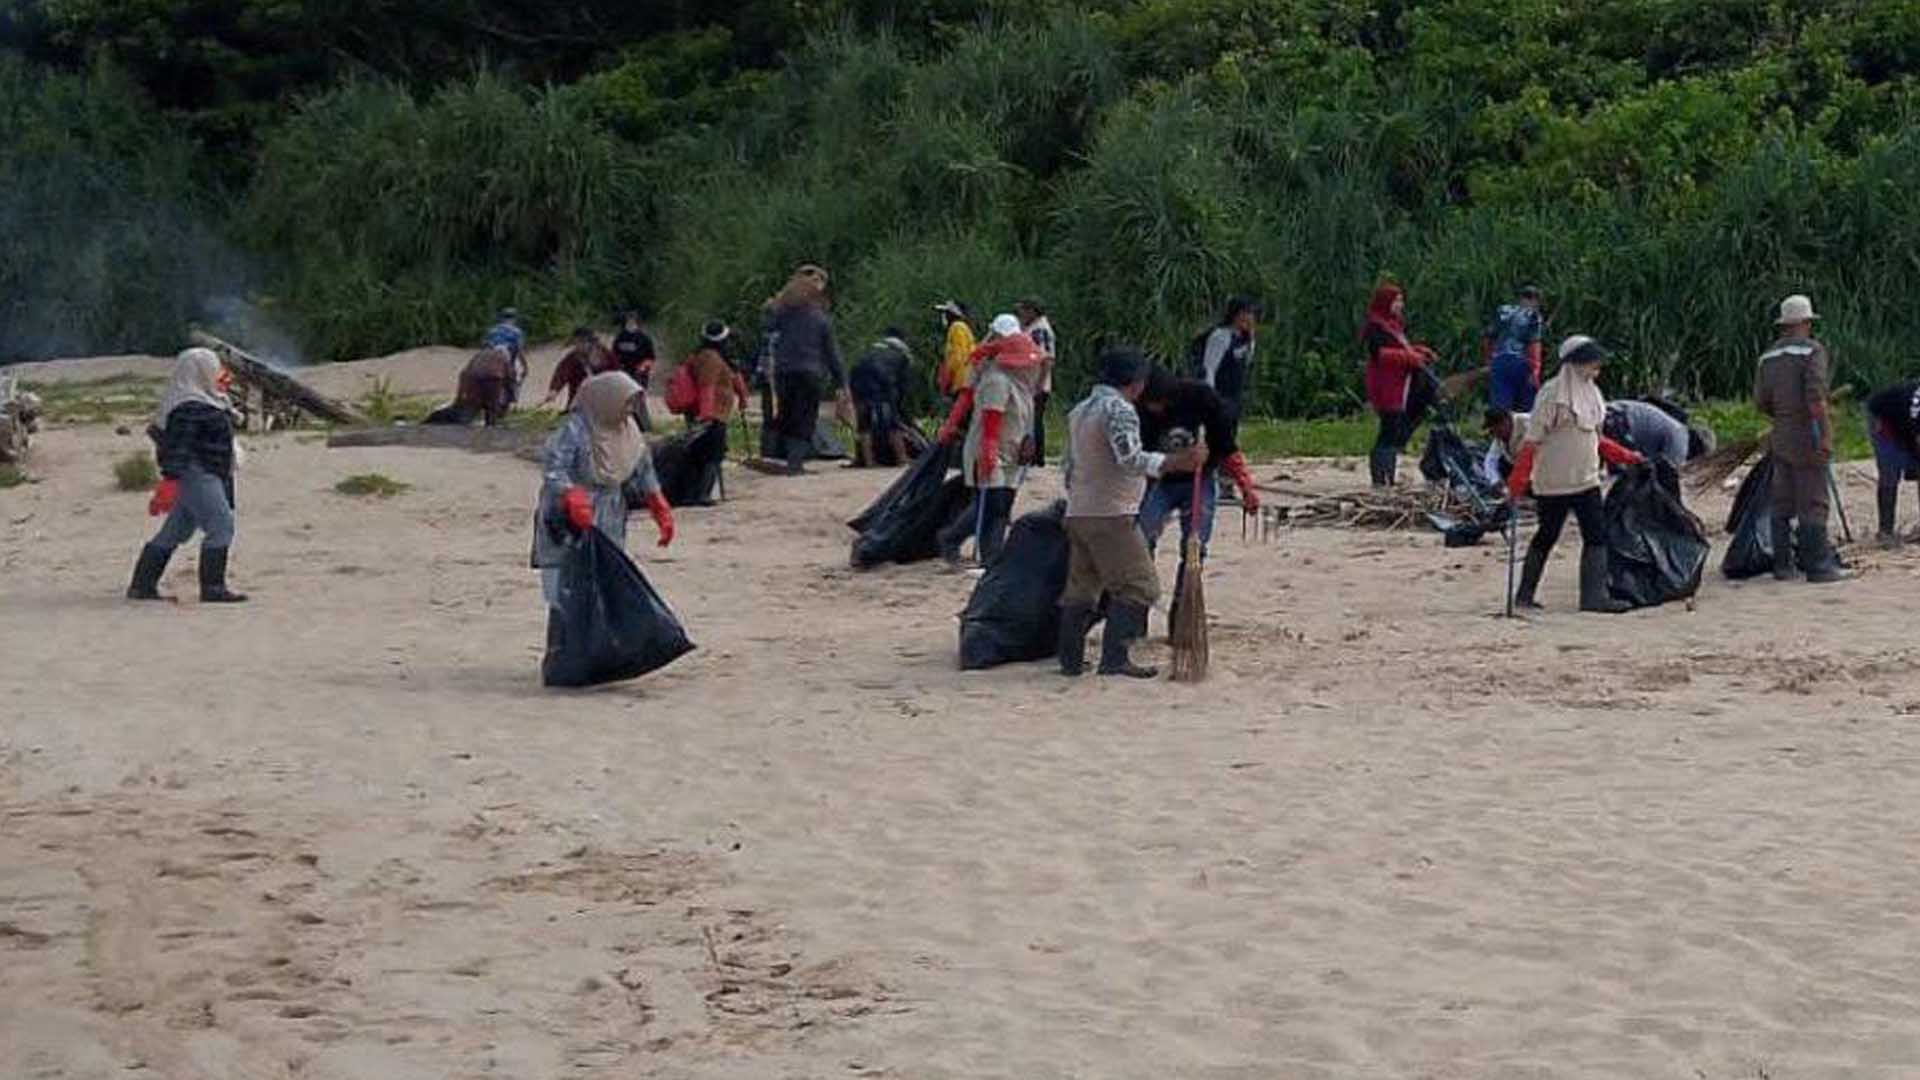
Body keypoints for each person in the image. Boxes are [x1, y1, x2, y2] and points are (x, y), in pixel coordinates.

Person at [1058, 349, 1207, 679]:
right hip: (1111, 513)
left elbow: (1067, 465)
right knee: (1140, 586)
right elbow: (1129, 459)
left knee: (1082, 588)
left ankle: (1069, 659)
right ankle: (1115, 658)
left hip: (1080, 510)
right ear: (1137, 383)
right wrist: (1176, 462)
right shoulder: (1119, 410)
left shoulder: (1080, 411)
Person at [1506, 336, 1647, 613]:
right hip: (1554, 482)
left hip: (1586, 478)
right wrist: (1517, 482)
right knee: (1547, 535)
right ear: (1574, 364)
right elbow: (1531, 443)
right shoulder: (1551, 395)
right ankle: (1524, 594)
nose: (1596, 369)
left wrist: (1628, 457)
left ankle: (1593, 597)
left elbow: (1597, 439)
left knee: (1596, 535)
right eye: (1591, 363)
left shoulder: (1593, 394)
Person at [531, 372, 676, 609]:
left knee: (604, 579)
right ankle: (564, 639)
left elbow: (643, 467)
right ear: (606, 399)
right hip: (566, 517)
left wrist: (657, 503)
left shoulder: (629, 432)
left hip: (609, 511)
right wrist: (571, 493)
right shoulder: (576, 430)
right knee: (563, 589)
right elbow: (553, 465)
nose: (630, 409)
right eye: (626, 402)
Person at [1135, 367, 1263, 630]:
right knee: (1141, 539)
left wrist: (1246, 488)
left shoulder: (1202, 400)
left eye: (1156, 404)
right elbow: (1138, 459)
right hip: (1159, 481)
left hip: (1200, 480)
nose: (1152, 409)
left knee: (1195, 547)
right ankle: (1134, 616)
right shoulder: (1141, 411)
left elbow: (1228, 449)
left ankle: (1182, 619)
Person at [126, 347, 248, 604]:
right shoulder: (188, 407)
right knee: (221, 525)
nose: (218, 373)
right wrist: (170, 481)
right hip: (198, 472)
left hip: (205, 471)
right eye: (213, 368)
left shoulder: (201, 399)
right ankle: (213, 588)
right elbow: (178, 448)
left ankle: (142, 585)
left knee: (176, 530)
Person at [935, 314, 1041, 566]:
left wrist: (1029, 439)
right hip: (990, 447)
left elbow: (1026, 415)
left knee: (1003, 503)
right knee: (991, 502)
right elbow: (990, 421)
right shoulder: (995, 379)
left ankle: (991, 555)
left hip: (1012, 446)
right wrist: (988, 452)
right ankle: (952, 539)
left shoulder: (1021, 381)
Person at [1755, 294, 1844, 583]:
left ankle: (1783, 565)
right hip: (1807, 431)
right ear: (1806, 323)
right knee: (1814, 499)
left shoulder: (1767, 357)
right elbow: (1816, 398)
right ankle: (1818, 565)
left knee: (1783, 500)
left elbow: (1761, 402)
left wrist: (1781, 418)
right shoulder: (1812, 351)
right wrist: (1826, 435)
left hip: (1780, 432)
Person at [764, 265, 847, 474]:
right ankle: (795, 463)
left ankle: (778, 455)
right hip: (809, 372)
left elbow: (768, 330)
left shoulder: (781, 311)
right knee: (805, 417)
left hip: (783, 371)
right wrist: (842, 381)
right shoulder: (820, 317)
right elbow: (832, 352)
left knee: (786, 414)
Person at [1361, 283, 1439, 487]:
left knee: (1402, 426)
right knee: (1389, 430)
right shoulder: (1375, 326)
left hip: (1401, 384)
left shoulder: (1394, 325)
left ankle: (1389, 474)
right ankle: (1381, 478)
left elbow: (1399, 347)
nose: (1400, 305)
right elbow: (1380, 354)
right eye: (1396, 301)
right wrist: (1409, 357)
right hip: (1386, 386)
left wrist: (1419, 351)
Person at [675, 320, 749, 504]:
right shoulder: (711, 359)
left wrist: (742, 396)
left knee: (705, 452)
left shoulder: (708, 356)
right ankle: (702, 494)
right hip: (710, 415)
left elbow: (733, 377)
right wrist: (706, 415)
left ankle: (700, 493)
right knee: (711, 453)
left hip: (710, 413)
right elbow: (706, 387)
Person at [849, 329, 915, 467]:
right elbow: (902, 385)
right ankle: (902, 459)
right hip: (882, 384)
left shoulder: (871, 349)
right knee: (892, 422)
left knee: (864, 423)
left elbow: (855, 369)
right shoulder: (901, 354)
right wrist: (900, 406)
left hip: (859, 384)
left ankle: (869, 461)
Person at [1866, 379, 1920, 548]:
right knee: (1890, 471)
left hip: (1906, 424)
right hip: (1883, 418)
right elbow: (1915, 432)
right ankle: (1885, 532)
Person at [1482, 285, 1545, 413]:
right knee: (1525, 410)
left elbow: (1487, 339)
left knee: (1500, 409)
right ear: (1536, 301)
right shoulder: (1533, 316)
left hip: (1499, 362)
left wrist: (1489, 362)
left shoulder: (1503, 311)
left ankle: (1498, 431)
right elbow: (1534, 346)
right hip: (1521, 363)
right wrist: (1535, 372)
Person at [1016, 299, 1056, 467]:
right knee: (1031, 420)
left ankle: (1036, 458)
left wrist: (1039, 384)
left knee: (1034, 421)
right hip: (1032, 382)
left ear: (1033, 311)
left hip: (1036, 383)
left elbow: (1046, 359)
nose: (1021, 314)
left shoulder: (1039, 330)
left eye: (1024, 310)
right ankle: (1034, 456)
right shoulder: (1033, 328)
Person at [542, 327, 615, 410]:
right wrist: (554, 390)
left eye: (582, 342)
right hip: (578, 401)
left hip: (602, 399)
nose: (578, 345)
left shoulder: (605, 355)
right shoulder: (573, 358)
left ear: (590, 342)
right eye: (576, 343)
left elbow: (617, 373)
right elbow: (562, 372)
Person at [611, 311, 658, 432]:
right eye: (628, 321)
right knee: (622, 401)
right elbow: (614, 355)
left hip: (639, 374)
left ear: (637, 323)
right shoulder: (620, 337)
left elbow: (651, 357)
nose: (630, 324)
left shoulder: (644, 338)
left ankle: (645, 428)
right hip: (623, 373)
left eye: (632, 321)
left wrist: (643, 366)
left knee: (638, 402)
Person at [481, 307, 528, 405]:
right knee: (512, 374)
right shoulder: (516, 332)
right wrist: (525, 366)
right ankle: (511, 394)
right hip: (505, 356)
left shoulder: (492, 330)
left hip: (489, 356)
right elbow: (519, 350)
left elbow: (485, 345)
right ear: (514, 319)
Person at [934, 301, 977, 406]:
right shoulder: (963, 327)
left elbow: (958, 357)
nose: (943, 317)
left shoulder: (957, 327)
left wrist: (948, 381)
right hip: (966, 379)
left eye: (946, 313)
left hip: (961, 380)